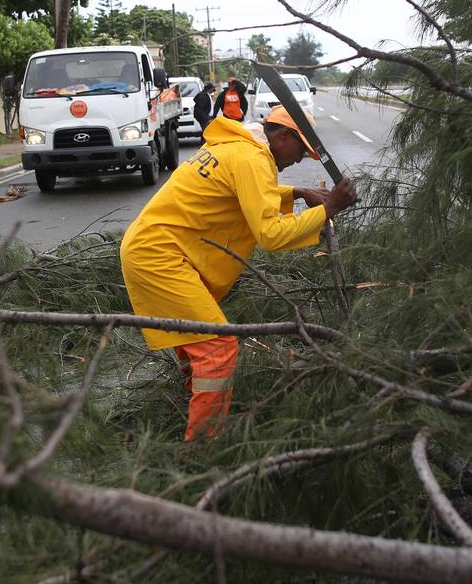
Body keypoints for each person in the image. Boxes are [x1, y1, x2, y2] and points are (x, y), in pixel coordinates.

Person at [120, 106, 357, 440]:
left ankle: (189, 417)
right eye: (302, 149)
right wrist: (330, 209)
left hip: (156, 250)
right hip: (160, 257)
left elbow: (239, 193)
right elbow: (271, 235)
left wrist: (295, 192)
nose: (302, 158)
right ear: (283, 135)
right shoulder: (253, 159)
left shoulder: (237, 145)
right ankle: (201, 451)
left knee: (198, 351)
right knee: (218, 349)